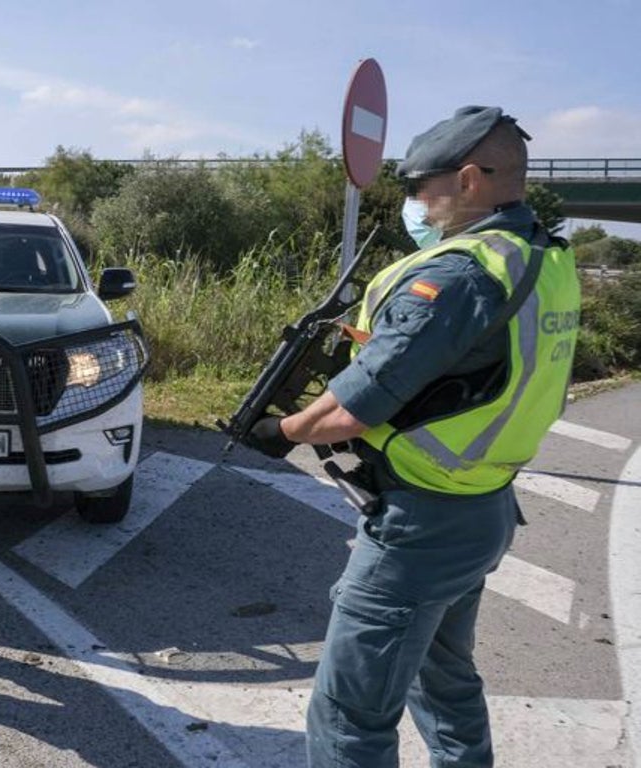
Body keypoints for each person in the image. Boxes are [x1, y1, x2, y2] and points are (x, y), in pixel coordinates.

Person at [245, 106, 581, 766]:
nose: (412, 205)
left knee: (350, 714)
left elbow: (356, 407)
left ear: (467, 180)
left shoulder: (457, 276)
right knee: (444, 683)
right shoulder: (543, 259)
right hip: (483, 505)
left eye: (419, 188)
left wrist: (280, 429)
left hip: (422, 524)